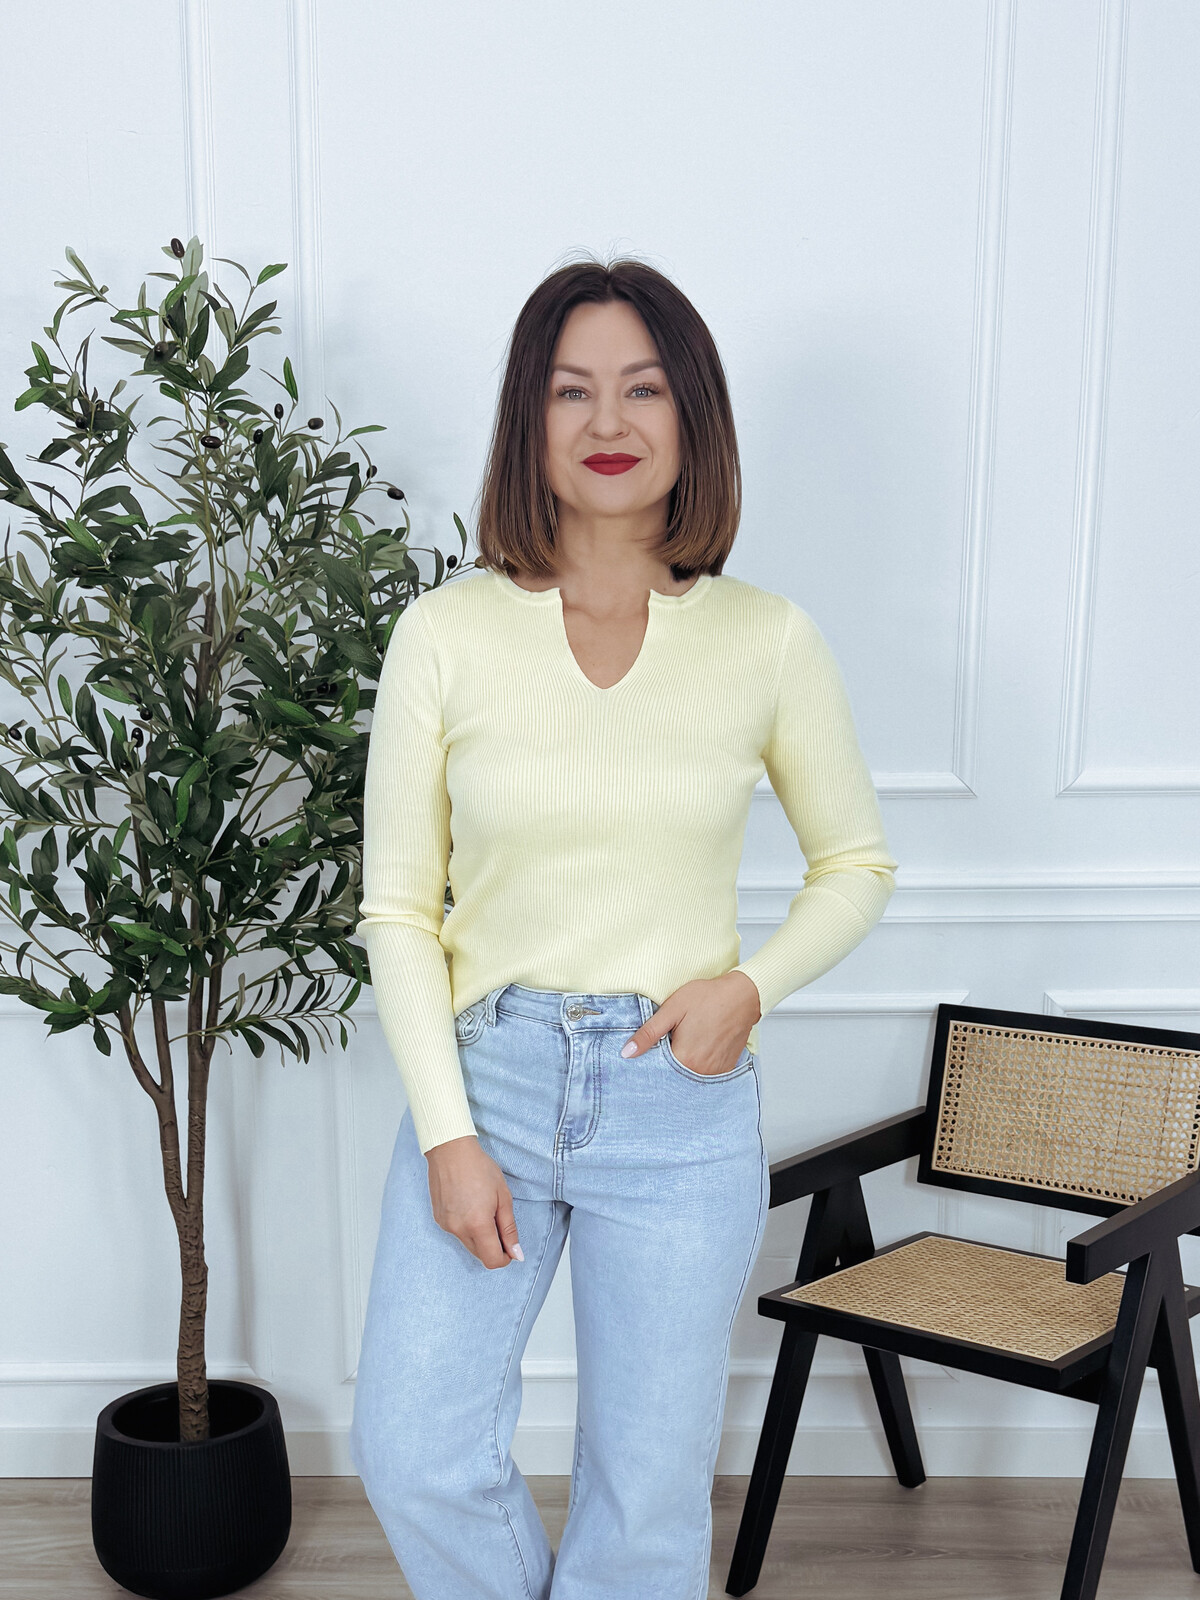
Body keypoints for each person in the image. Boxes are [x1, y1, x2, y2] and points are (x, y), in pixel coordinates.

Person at [348, 256, 898, 1599]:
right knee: (414, 1452)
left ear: (691, 415)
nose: (608, 421)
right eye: (571, 390)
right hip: (488, 1083)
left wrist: (750, 988)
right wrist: (449, 1135)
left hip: (676, 1098)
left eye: (643, 389)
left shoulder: (768, 641)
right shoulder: (446, 635)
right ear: (527, 421)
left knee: (645, 1503)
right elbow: (399, 910)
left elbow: (855, 865)